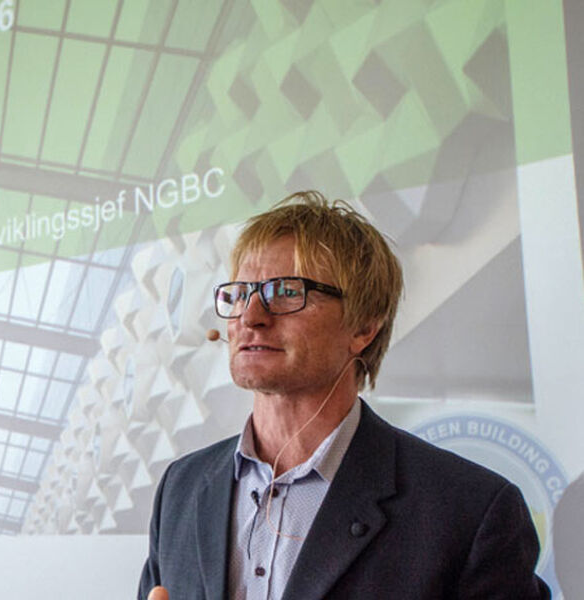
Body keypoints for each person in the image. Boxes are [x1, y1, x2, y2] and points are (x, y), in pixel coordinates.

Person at [138, 192, 549, 599]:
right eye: (240, 294)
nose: (250, 316)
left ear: (364, 327)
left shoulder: (470, 510)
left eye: (286, 292)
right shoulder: (182, 486)